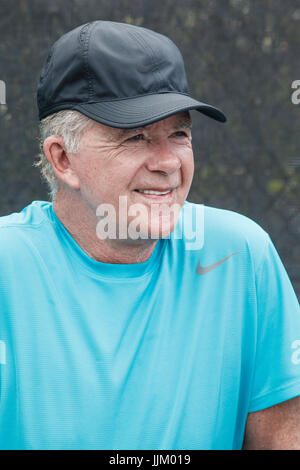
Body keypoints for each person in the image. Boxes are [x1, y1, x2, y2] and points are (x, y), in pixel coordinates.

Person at [0, 20, 299, 451]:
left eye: (179, 133)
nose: (167, 162)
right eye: (135, 136)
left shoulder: (240, 255)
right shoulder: (9, 268)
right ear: (63, 159)